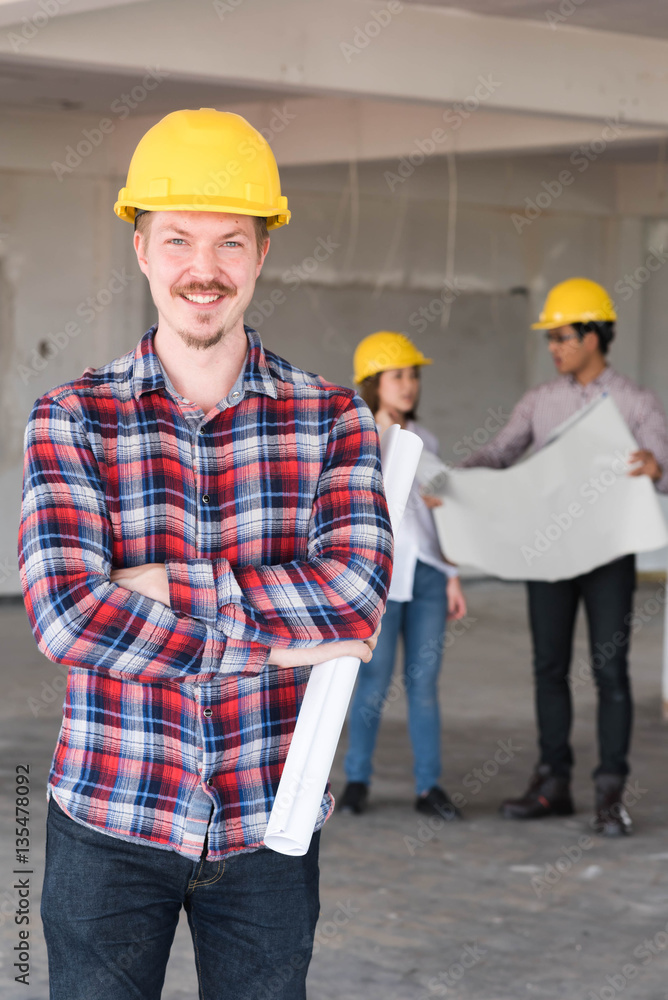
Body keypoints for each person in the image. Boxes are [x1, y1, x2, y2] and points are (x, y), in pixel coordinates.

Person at [18, 109, 392, 1000]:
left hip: (269, 824)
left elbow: (354, 600)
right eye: (178, 238)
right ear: (141, 248)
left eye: (231, 243)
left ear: (262, 255)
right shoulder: (72, 417)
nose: (204, 269)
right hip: (110, 816)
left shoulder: (333, 419)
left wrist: (156, 590)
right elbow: (66, 616)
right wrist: (277, 636)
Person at [462, 278, 668, 836]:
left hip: (608, 557)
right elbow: (500, 454)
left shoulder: (635, 402)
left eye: (563, 337)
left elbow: (665, 463)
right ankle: (553, 783)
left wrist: (656, 468)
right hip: (548, 554)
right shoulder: (540, 402)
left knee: (610, 672)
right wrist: (450, 481)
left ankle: (610, 793)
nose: (554, 348)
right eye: (551, 338)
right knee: (549, 670)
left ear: (595, 336)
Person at [340, 331, 468, 819]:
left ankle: (428, 787)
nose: (409, 384)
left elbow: (438, 519)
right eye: (398, 376)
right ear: (374, 383)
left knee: (424, 683)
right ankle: (356, 781)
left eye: (413, 375)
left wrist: (453, 575)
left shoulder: (426, 440)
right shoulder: (361, 436)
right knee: (372, 681)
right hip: (383, 580)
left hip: (431, 576)